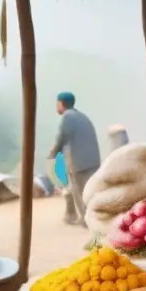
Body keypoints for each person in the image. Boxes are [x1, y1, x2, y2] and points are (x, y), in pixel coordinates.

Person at [47, 91, 101, 226]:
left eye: (57, 103)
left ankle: (86, 220)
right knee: (82, 190)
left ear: (61, 104)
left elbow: (61, 137)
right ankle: (70, 215)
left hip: (78, 162)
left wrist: (52, 153)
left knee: (80, 193)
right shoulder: (82, 116)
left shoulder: (67, 117)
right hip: (92, 160)